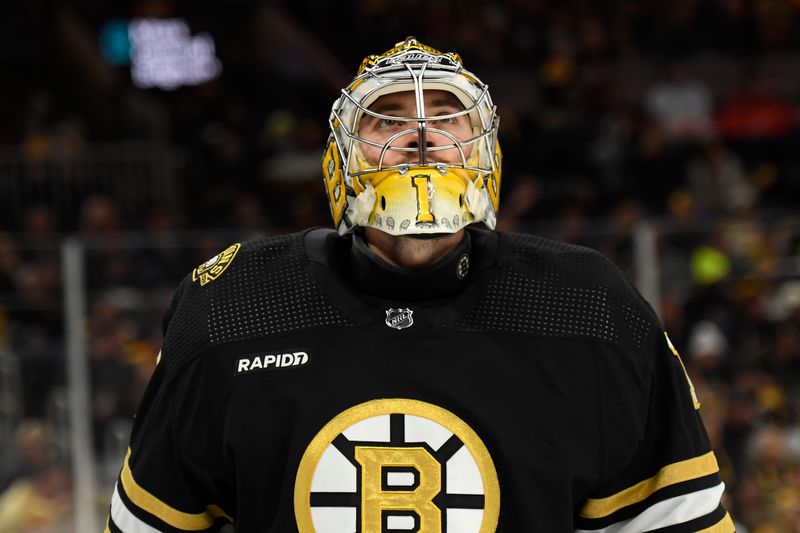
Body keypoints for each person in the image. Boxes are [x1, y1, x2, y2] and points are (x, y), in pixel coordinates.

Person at [106, 37, 734, 532]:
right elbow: (154, 525)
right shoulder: (233, 304)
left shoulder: (587, 304)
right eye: (388, 120)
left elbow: (672, 523)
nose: (424, 139)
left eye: (450, 118)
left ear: (485, 152)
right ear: (341, 160)